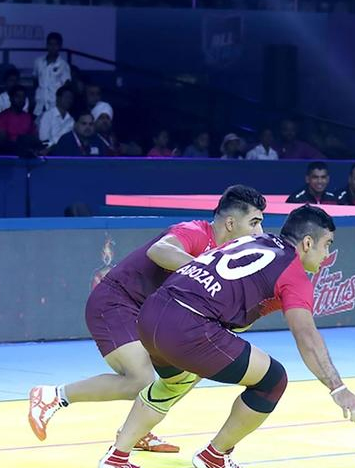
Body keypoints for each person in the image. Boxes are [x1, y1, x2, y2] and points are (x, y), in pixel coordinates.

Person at [98, 206, 355, 468]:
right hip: (188, 327)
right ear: (308, 243)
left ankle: (117, 456)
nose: (327, 254)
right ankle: (216, 454)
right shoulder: (294, 275)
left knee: (173, 383)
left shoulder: (253, 240)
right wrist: (337, 387)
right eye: (327, 244)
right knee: (273, 380)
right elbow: (306, 336)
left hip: (151, 314)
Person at [28, 186, 268, 453]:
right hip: (115, 302)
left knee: (188, 372)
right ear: (231, 223)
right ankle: (54, 396)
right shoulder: (195, 232)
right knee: (139, 380)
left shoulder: (225, 255)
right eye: (254, 222)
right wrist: (202, 269)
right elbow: (160, 250)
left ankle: (137, 429)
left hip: (152, 315)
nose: (259, 232)